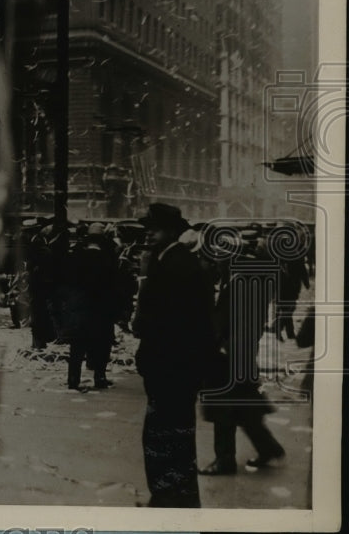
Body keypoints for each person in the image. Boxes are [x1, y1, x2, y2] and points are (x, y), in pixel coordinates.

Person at [131, 203, 216, 508]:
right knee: (174, 435)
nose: (148, 232)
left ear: (172, 231)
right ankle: (177, 495)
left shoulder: (174, 266)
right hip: (177, 368)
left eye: (155, 227)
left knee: (163, 436)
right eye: (147, 228)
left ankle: (167, 497)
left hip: (171, 367)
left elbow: (160, 322)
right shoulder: (172, 261)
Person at [199, 242, 285, 476]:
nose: (216, 261)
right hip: (241, 355)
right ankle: (268, 447)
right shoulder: (251, 281)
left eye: (220, 257)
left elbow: (226, 323)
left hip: (229, 356)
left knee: (222, 409)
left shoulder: (237, 284)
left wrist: (222, 349)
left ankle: (224, 461)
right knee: (246, 405)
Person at [64, 223, 118, 389]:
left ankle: (73, 379)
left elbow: (69, 281)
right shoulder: (108, 257)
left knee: (78, 346)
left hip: (81, 307)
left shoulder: (76, 255)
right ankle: (99, 377)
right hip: (101, 308)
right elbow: (114, 283)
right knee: (102, 343)